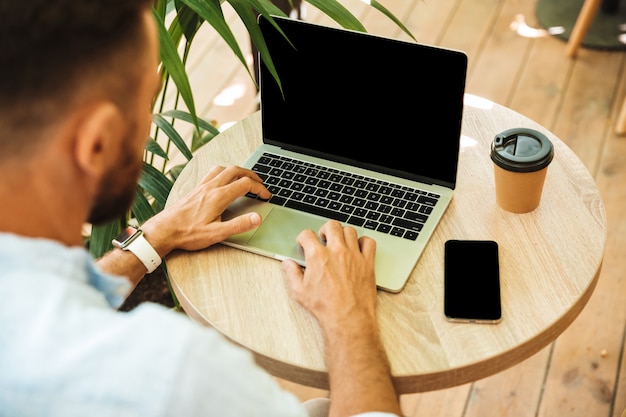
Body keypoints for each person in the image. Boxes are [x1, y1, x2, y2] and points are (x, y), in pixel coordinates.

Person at [0, 1, 403, 416]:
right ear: (97, 142)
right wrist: (350, 319)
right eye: (146, 99)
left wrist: (151, 237)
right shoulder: (171, 378)